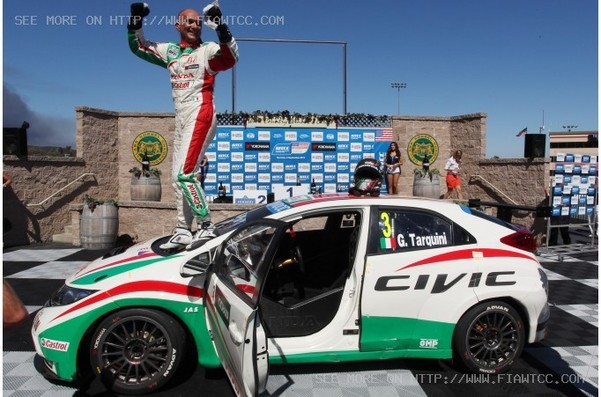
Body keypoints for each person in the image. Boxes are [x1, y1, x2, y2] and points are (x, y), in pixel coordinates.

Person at [128, 2, 238, 250]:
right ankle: (182, 229)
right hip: (181, 117)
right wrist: (136, 19)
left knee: (186, 174)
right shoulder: (169, 51)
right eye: (189, 21)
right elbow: (138, 47)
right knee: (177, 178)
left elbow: (231, 58)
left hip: (201, 112)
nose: (194, 25)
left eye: (198, 22)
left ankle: (206, 225)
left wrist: (220, 26)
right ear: (177, 25)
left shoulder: (208, 50)